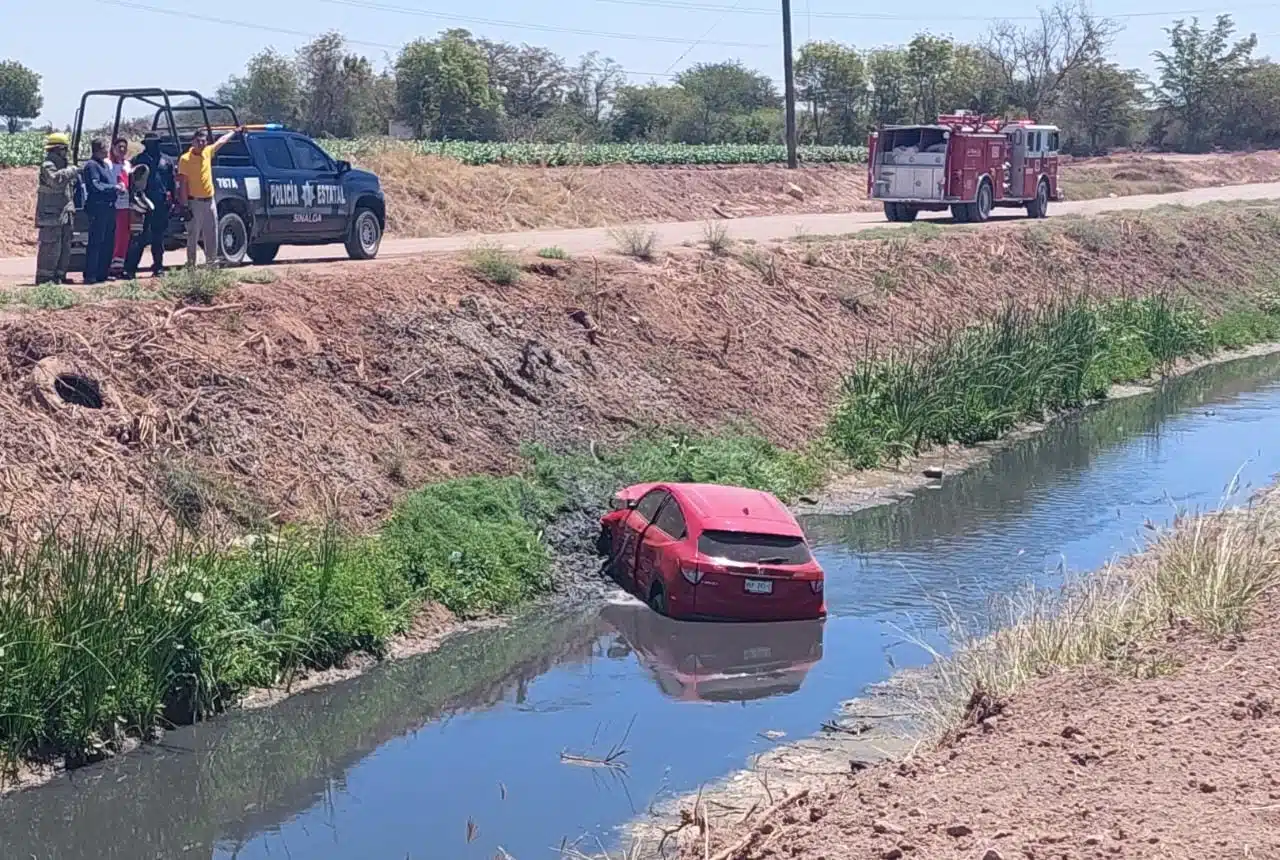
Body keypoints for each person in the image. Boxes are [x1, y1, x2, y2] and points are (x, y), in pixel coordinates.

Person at [177, 125, 241, 267]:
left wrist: (233, 132)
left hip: (210, 200)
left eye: (204, 141)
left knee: (211, 233)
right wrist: (185, 206)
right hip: (194, 202)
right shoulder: (185, 159)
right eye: (199, 141)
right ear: (193, 142)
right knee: (193, 235)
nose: (201, 143)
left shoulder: (207, 152)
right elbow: (182, 184)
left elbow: (221, 141)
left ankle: (211, 263)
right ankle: (191, 265)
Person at [123, 132, 176, 278]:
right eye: (151, 143)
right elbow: (132, 183)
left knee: (158, 238)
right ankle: (130, 269)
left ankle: (158, 268)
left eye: (156, 143)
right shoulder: (138, 160)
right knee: (139, 238)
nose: (154, 146)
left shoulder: (167, 161)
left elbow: (172, 184)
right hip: (142, 204)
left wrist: (174, 202)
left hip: (161, 204)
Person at [34, 132, 81, 285]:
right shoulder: (48, 165)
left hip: (65, 213)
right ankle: (45, 278)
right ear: (58, 149)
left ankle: (59, 276)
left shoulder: (64, 166)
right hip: (51, 214)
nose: (66, 153)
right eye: (64, 149)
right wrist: (72, 171)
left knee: (65, 246)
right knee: (50, 246)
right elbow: (55, 181)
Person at [81, 138, 124, 285]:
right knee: (96, 241)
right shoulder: (91, 166)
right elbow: (96, 186)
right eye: (105, 148)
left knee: (108, 241)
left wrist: (118, 187)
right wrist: (113, 188)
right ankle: (91, 274)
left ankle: (102, 273)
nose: (108, 150)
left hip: (110, 206)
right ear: (98, 149)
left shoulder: (105, 165)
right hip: (98, 207)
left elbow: (110, 182)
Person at [108, 137, 132, 277]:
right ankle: (109, 266)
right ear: (113, 148)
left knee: (124, 237)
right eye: (119, 147)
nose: (122, 150)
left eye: (124, 147)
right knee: (112, 237)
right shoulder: (107, 164)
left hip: (126, 205)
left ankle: (119, 267)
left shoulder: (128, 165)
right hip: (113, 206)